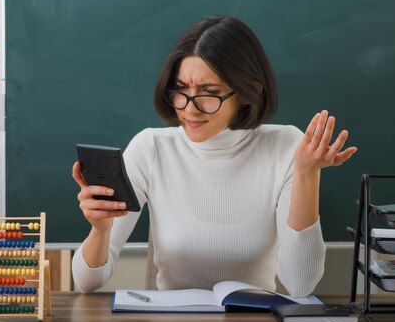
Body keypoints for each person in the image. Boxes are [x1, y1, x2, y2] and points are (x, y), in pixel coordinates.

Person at [72, 15, 357, 296]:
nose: (190, 109)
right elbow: (86, 283)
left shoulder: (285, 146)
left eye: (209, 93)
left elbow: (301, 284)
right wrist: (100, 230)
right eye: (181, 90)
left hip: (252, 320)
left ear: (248, 93)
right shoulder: (150, 148)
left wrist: (307, 174)